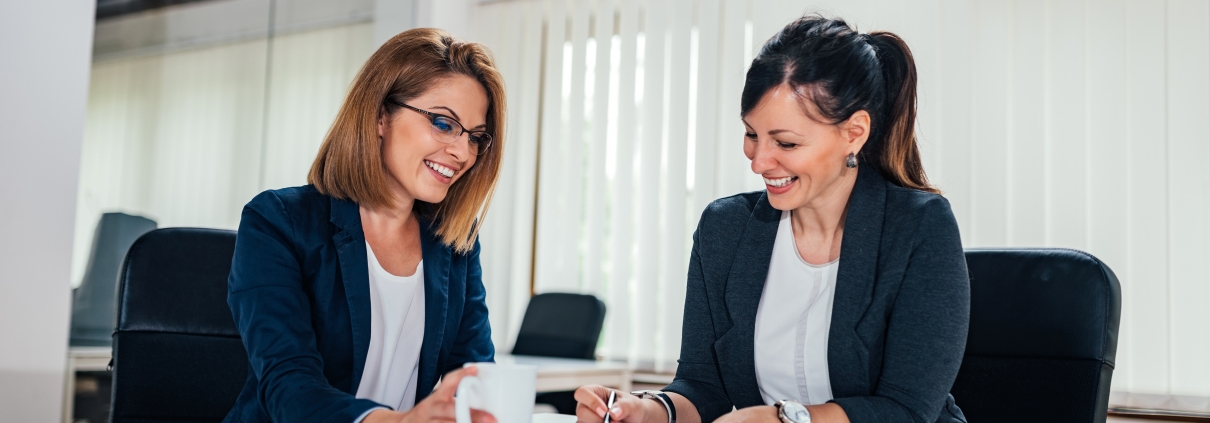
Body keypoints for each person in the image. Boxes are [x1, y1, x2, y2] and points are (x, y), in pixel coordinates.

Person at [574, 15, 970, 423]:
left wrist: (782, 419)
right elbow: (702, 385)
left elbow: (906, 409)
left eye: (785, 142)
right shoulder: (724, 229)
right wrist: (644, 409)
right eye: (751, 135)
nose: (759, 162)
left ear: (854, 133)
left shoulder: (918, 227)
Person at [224, 28, 506, 423]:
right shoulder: (278, 221)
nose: (462, 152)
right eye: (443, 123)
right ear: (380, 116)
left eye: (476, 137)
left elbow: (475, 379)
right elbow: (291, 388)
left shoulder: (453, 241)